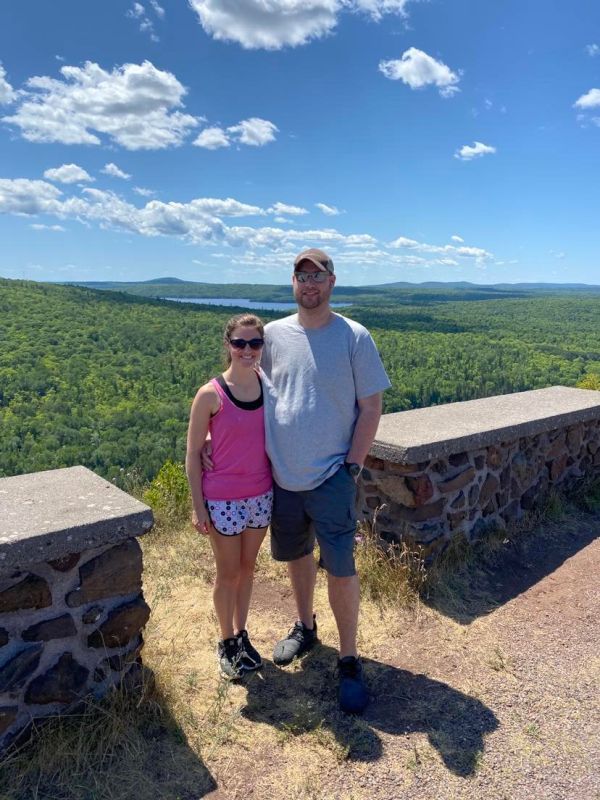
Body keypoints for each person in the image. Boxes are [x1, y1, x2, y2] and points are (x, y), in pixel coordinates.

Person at [205, 248, 390, 712]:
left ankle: (349, 660)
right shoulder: (273, 337)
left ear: (332, 281)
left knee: (342, 568)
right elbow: (244, 389)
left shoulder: (354, 336)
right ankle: (306, 628)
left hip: (332, 475)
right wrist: (211, 434)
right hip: (281, 477)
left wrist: (353, 466)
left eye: (318, 275)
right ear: (292, 282)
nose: (310, 283)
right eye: (302, 275)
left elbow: (371, 407)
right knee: (297, 556)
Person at [186, 313, 272, 680]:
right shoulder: (210, 394)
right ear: (228, 345)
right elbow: (192, 455)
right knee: (228, 573)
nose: (247, 350)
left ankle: (241, 633)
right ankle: (226, 642)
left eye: (254, 343)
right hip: (223, 499)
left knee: (248, 569)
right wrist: (197, 506)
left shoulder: (269, 386)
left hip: (261, 493)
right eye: (240, 343)